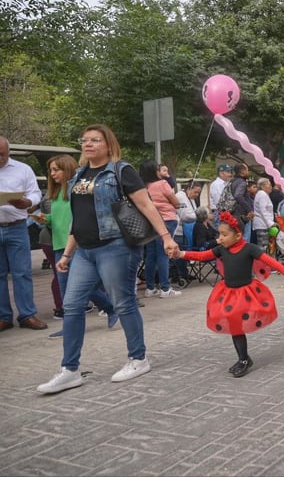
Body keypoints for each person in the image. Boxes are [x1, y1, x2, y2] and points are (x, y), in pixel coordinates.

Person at [37, 124, 179, 394]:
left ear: (108, 144)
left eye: (95, 140)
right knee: (72, 305)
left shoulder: (121, 170)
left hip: (116, 247)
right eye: (85, 140)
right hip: (84, 251)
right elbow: (79, 220)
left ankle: (138, 359)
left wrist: (166, 237)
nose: (88, 144)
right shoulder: (78, 175)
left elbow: (145, 204)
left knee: (123, 302)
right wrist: (67, 253)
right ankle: (70, 370)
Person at [171, 211, 284, 377]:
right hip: (228, 293)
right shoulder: (222, 249)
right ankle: (243, 358)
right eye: (219, 234)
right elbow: (203, 256)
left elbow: (269, 260)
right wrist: (182, 254)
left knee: (237, 326)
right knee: (234, 327)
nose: (220, 238)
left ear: (237, 236)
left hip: (246, 294)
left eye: (224, 235)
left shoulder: (249, 248)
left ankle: (243, 359)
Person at [34, 154, 117, 338]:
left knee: (81, 288)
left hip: (77, 247)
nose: (52, 174)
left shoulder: (77, 191)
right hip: (58, 246)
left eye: (56, 169)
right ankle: (80, 321)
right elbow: (57, 220)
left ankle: (109, 308)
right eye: (51, 170)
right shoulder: (54, 195)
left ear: (67, 169)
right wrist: (44, 219)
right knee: (67, 290)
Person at [0, 136, 49, 332]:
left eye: (2, 154)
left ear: (8, 152)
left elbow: (36, 194)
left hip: (17, 226)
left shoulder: (23, 169)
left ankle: (27, 315)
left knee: (22, 273)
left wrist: (27, 203)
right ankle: (4, 316)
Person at [139, 159, 181, 298]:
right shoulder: (162, 184)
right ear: (153, 171)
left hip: (150, 222)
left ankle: (150, 288)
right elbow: (175, 201)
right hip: (167, 220)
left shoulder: (141, 186)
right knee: (164, 254)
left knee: (150, 255)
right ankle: (165, 288)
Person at [174, 182, 202, 281]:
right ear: (189, 189)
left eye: (198, 193)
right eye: (195, 192)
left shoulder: (190, 198)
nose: (196, 195)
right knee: (179, 253)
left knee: (184, 252)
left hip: (186, 230)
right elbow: (186, 216)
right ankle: (180, 274)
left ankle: (183, 272)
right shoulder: (180, 197)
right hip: (178, 230)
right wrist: (200, 216)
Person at [252, 178, 275, 252]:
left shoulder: (263, 194)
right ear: (262, 186)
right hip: (262, 224)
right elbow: (263, 211)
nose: (271, 187)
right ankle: (261, 262)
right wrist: (270, 223)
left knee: (265, 245)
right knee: (263, 245)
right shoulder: (262, 195)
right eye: (269, 185)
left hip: (264, 223)